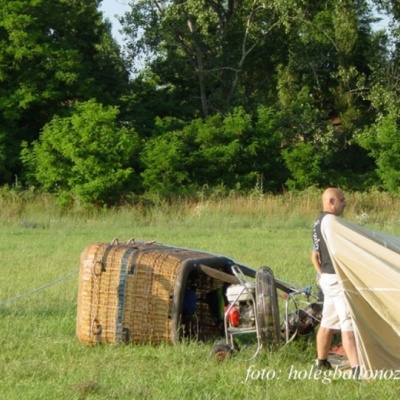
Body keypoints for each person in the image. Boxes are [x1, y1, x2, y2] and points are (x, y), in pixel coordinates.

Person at [311, 188, 359, 376]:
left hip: (327, 279)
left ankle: (322, 363)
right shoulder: (332, 222)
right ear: (331, 201)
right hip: (337, 280)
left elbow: (315, 254)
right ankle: (357, 369)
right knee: (348, 324)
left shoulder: (317, 223)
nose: (345, 202)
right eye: (342, 199)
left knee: (327, 322)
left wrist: (322, 275)